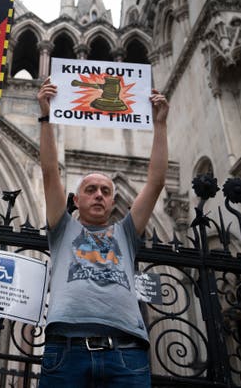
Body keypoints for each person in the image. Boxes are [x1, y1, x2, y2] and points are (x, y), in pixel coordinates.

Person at [36, 77, 169, 387]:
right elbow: (49, 171)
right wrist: (45, 115)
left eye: (105, 191)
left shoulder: (126, 233)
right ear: (76, 200)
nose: (98, 195)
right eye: (91, 189)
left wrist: (160, 125)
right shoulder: (62, 228)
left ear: (113, 202)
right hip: (66, 349)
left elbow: (156, 182)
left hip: (126, 353)